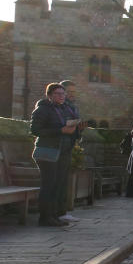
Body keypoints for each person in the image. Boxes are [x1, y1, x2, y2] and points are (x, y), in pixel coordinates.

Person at [28, 82, 76, 227]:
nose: (62, 96)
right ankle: (44, 217)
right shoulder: (42, 109)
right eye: (58, 94)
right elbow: (35, 130)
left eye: (63, 93)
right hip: (47, 152)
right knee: (48, 184)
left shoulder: (65, 108)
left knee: (58, 185)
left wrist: (76, 128)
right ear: (49, 95)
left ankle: (54, 216)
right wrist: (60, 130)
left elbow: (65, 127)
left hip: (63, 151)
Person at [55, 80, 84, 223]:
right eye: (69, 92)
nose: (72, 95)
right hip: (58, 147)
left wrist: (79, 129)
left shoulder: (72, 107)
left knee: (63, 181)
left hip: (68, 146)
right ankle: (57, 212)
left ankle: (62, 211)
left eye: (74, 92)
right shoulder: (60, 108)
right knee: (58, 181)